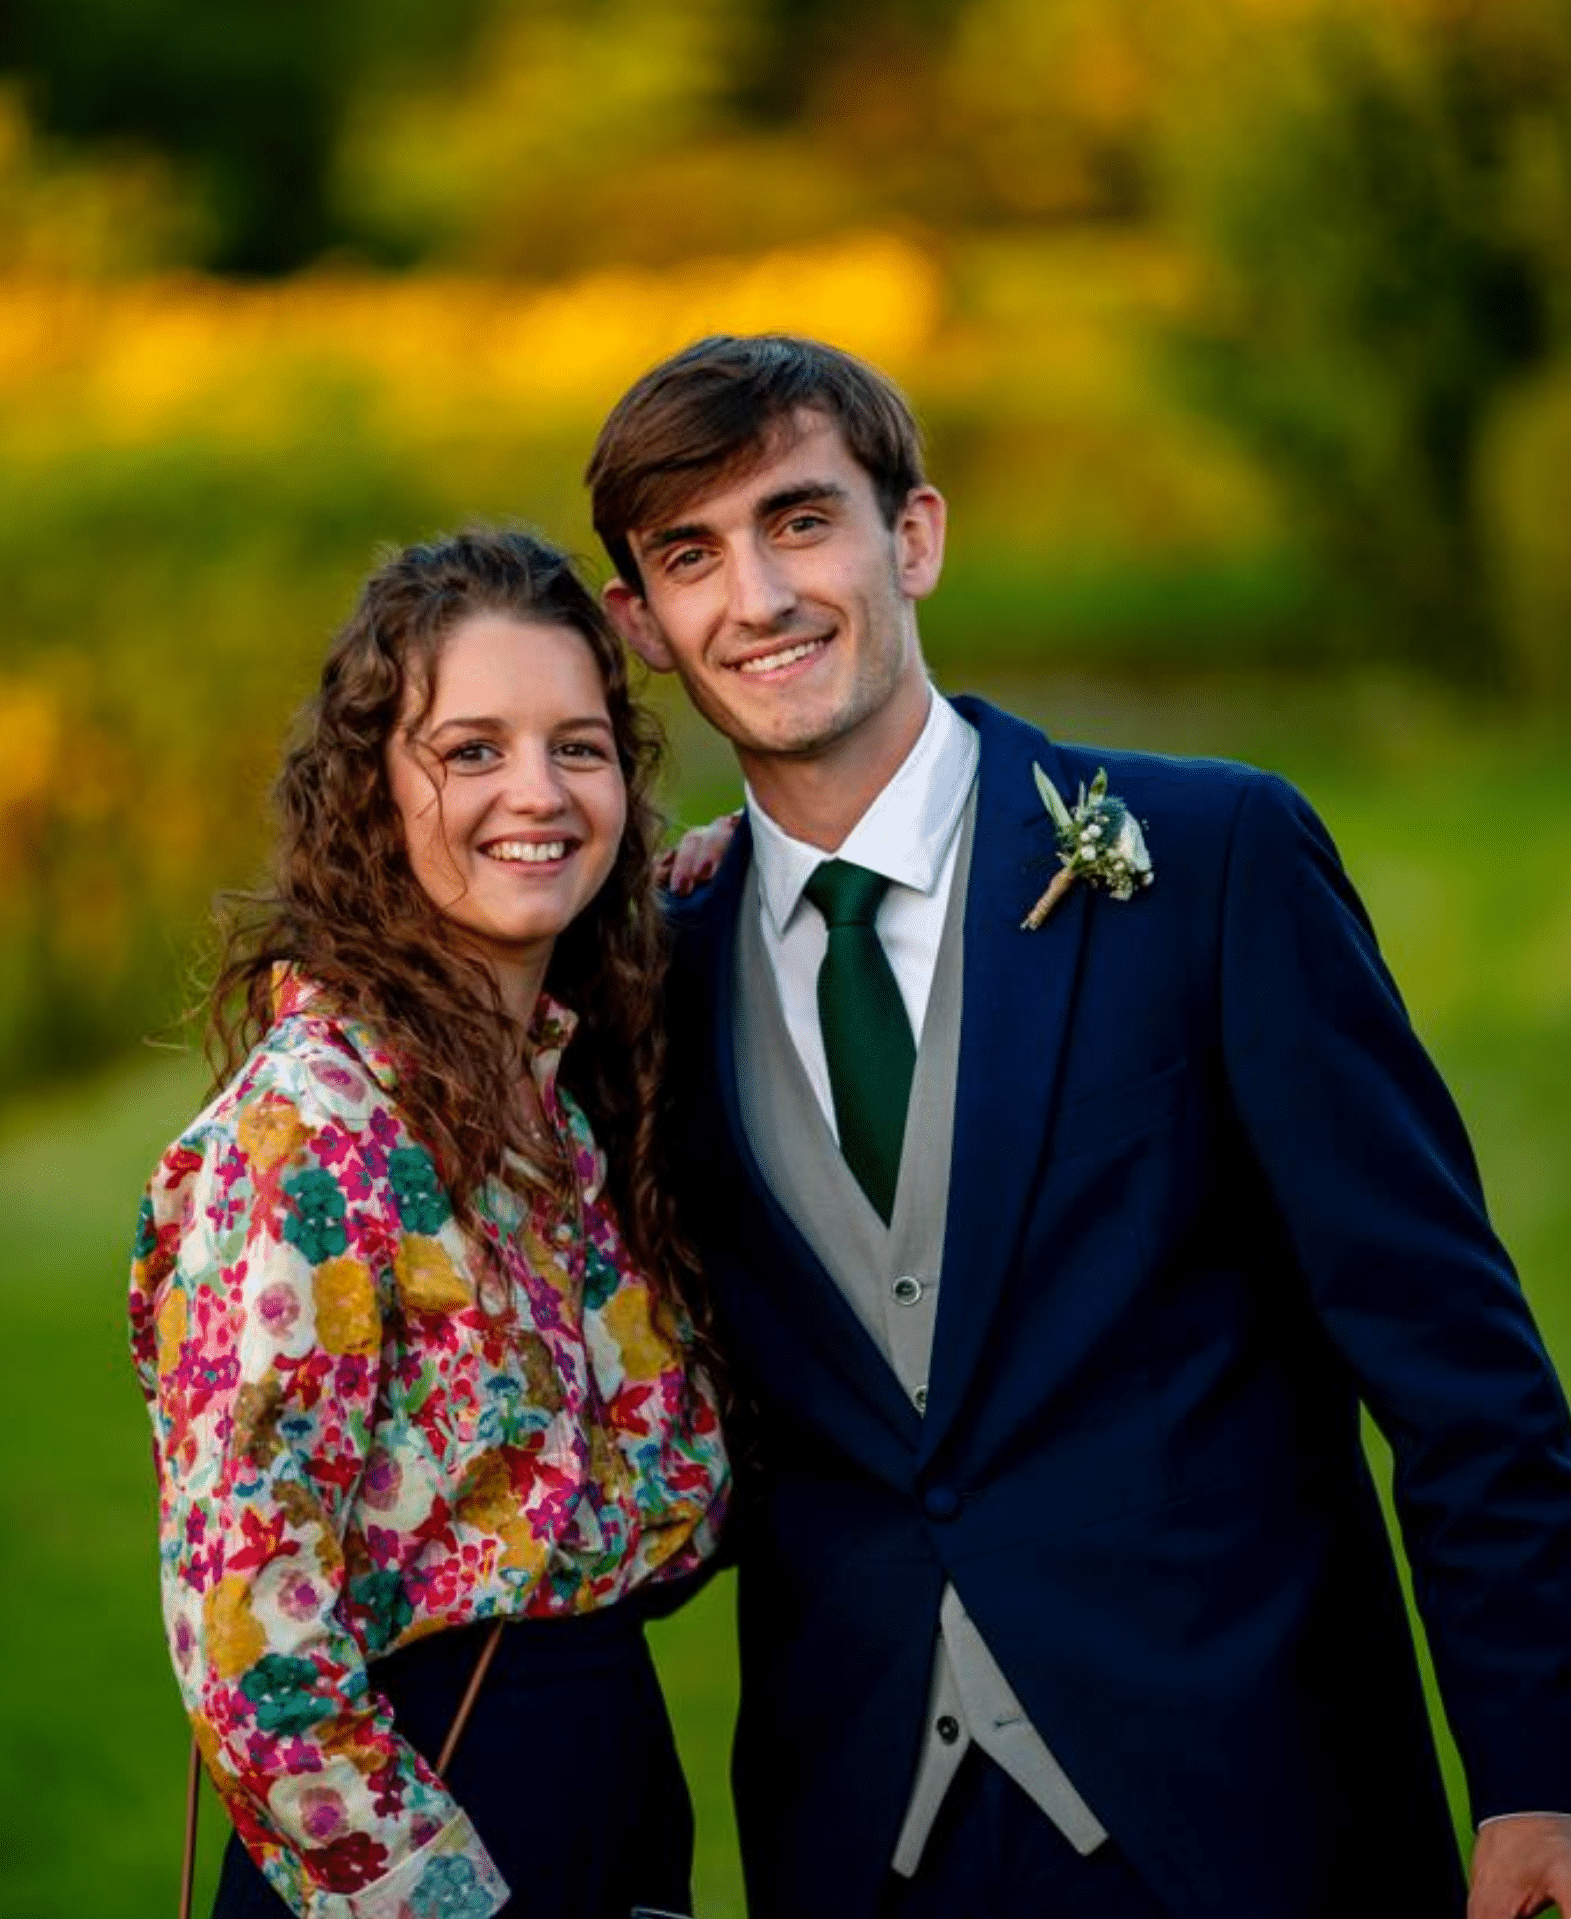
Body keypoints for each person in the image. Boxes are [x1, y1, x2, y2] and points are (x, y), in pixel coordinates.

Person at [586, 334, 1571, 1919]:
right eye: (690, 556)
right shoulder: (648, 974)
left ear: (912, 536)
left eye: (800, 520)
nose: (756, 598)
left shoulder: (1210, 861)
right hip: (864, 1836)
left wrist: (1537, 1770)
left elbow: (1455, 1364)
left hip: (1254, 1811)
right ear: (638, 625)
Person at [128, 529, 729, 1919]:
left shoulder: (559, 1104)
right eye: (471, 751)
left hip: (603, 1782)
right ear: (371, 792)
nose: (538, 793)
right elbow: (253, 1648)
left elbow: (664, 1500)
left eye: (578, 748)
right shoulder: (312, 1136)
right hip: (416, 1827)